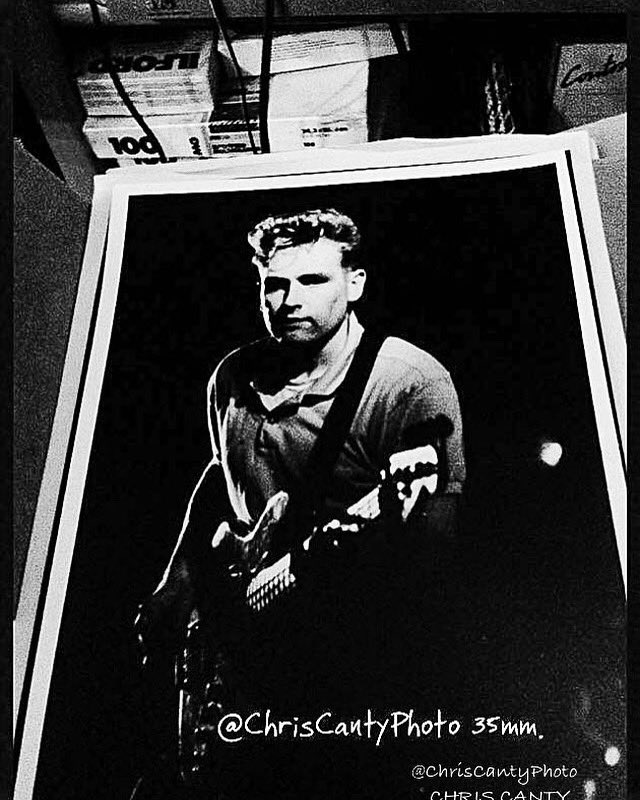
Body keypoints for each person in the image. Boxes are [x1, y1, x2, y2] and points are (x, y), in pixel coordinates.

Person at [136, 208, 466, 799]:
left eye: (313, 282)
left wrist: (356, 564)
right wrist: (177, 581)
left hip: (344, 668)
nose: (289, 300)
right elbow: (222, 476)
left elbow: (434, 537)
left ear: (355, 283)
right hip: (232, 659)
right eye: (275, 285)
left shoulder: (408, 382)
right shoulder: (231, 377)